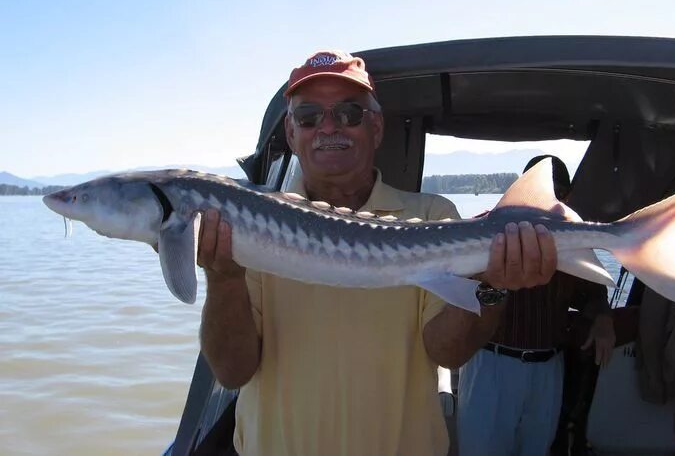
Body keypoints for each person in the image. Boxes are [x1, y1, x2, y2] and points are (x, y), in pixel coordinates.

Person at [196, 50, 559, 456]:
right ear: (292, 132)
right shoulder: (252, 224)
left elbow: (447, 351)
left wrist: (492, 286)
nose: (329, 126)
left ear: (377, 127)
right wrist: (223, 278)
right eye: (309, 116)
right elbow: (232, 371)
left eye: (349, 113)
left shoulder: (433, 216)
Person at [457, 155, 616, 456]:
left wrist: (603, 319)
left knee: (538, 449)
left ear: (567, 197)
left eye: (558, 193)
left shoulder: (575, 245)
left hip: (547, 369)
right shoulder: (483, 229)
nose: (549, 200)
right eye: (542, 190)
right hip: (491, 363)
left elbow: (592, 295)